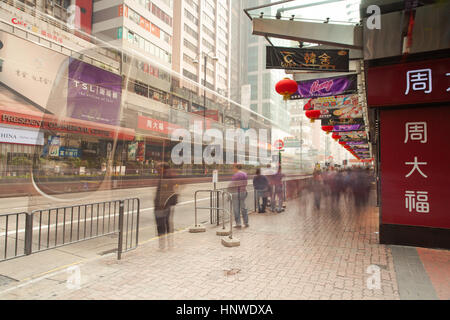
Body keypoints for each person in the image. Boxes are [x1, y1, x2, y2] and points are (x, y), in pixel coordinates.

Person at [154, 163, 179, 250]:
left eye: (158, 168)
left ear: (163, 169)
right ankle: (166, 245)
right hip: (161, 205)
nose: (156, 170)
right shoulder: (162, 177)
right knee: (164, 224)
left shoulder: (167, 178)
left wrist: (165, 204)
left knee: (163, 225)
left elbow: (173, 192)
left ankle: (165, 245)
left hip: (163, 205)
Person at [228, 164, 248, 228]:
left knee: (236, 208)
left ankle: (238, 223)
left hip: (236, 193)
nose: (233, 169)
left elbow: (231, 184)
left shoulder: (236, 174)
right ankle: (246, 222)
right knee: (243, 207)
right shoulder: (245, 174)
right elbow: (246, 183)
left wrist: (228, 191)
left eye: (233, 168)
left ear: (236, 168)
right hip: (243, 192)